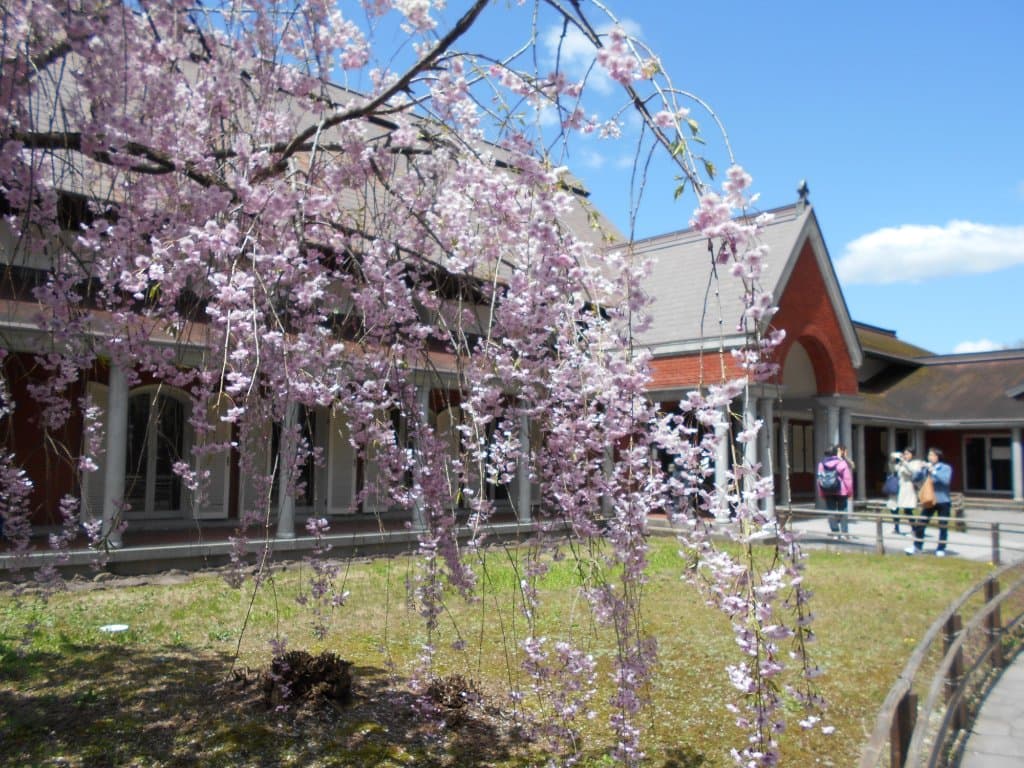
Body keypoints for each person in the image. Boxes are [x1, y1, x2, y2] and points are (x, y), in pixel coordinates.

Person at [911, 448, 954, 556]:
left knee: (943, 525)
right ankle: (917, 546)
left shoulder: (945, 468)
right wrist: (919, 469)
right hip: (929, 500)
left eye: (932, 455)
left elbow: (945, 481)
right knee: (921, 522)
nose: (930, 457)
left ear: (938, 456)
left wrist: (933, 471)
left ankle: (941, 548)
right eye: (929, 455)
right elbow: (915, 479)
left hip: (943, 500)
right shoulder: (926, 468)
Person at [890, 447, 926, 554]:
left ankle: (915, 528)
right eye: (904, 454)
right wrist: (894, 460)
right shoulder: (902, 463)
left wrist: (904, 462)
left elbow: (912, 472)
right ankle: (911, 528)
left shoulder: (916, 463)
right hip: (901, 488)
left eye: (908, 454)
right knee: (904, 510)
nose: (905, 456)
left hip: (909, 488)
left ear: (912, 454)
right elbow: (894, 470)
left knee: (908, 509)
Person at [817, 445, 853, 539]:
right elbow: (847, 479)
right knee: (843, 512)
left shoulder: (821, 464)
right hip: (841, 491)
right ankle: (845, 533)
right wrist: (849, 492)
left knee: (831, 512)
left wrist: (821, 493)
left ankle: (835, 532)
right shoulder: (841, 463)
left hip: (828, 491)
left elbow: (819, 479)